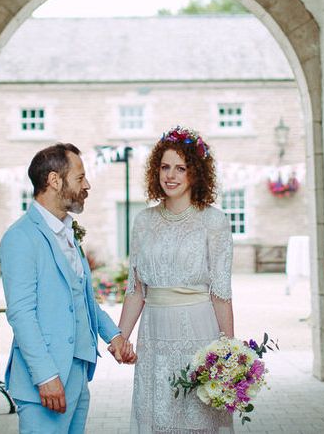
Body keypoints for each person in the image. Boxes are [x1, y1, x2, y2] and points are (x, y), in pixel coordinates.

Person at [0, 142, 136, 433]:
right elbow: (21, 314)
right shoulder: (20, 237)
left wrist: (114, 337)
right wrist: (45, 376)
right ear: (54, 180)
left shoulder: (68, 233)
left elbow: (83, 300)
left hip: (77, 373)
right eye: (80, 177)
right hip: (46, 378)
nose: (87, 185)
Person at [117, 126, 234, 433]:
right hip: (153, 334)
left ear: (195, 173)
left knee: (198, 417)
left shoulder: (214, 221)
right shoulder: (143, 221)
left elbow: (221, 293)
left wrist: (229, 354)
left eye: (180, 168)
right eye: (165, 167)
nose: (170, 175)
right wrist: (121, 337)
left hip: (199, 330)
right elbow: (135, 290)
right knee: (158, 416)